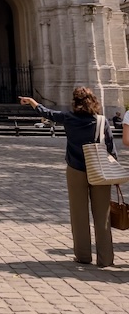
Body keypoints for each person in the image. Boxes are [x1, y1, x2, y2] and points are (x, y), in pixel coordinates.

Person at [20, 89, 115, 267]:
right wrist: (112, 169)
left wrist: (32, 102)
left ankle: (83, 255)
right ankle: (106, 259)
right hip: (100, 171)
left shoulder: (69, 118)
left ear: (75, 102)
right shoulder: (102, 121)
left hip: (76, 169)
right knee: (103, 216)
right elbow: (110, 147)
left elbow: (47, 113)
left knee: (78, 214)